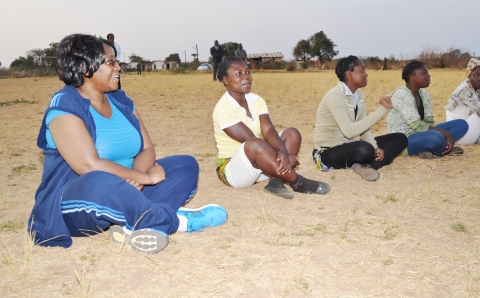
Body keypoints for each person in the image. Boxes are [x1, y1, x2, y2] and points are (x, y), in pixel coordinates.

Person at [28, 34, 227, 255]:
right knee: (99, 181)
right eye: (111, 62)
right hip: (79, 201)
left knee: (185, 165)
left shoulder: (120, 99)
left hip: (128, 188)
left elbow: (146, 148)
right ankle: (175, 221)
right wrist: (145, 178)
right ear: (85, 68)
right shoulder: (64, 105)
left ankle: (131, 224)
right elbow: (88, 166)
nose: (118, 68)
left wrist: (136, 177)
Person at [213, 56, 330, 199]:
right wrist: (284, 156)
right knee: (255, 144)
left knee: (292, 134)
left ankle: (276, 181)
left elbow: (268, 130)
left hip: (264, 165)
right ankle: (298, 183)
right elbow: (250, 139)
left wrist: (282, 151)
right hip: (235, 171)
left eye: (248, 72)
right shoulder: (223, 108)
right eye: (239, 73)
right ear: (225, 79)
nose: (246, 77)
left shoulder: (256, 100)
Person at [313, 56, 408, 181]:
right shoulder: (335, 95)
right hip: (328, 152)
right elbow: (349, 131)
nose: (366, 74)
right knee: (364, 149)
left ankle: (366, 165)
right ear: (349, 74)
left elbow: (364, 127)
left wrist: (375, 147)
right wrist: (381, 111)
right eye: (362, 71)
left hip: (349, 145)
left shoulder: (358, 95)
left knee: (400, 138)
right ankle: (365, 163)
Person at [387, 60, 468, 159]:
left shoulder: (424, 94)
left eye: (428, 73)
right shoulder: (401, 94)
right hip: (404, 140)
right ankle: (441, 148)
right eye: (424, 73)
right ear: (412, 77)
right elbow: (416, 125)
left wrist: (443, 134)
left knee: (461, 124)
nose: (428, 76)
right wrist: (445, 134)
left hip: (421, 134)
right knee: (436, 137)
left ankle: (433, 148)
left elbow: (429, 122)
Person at [444, 58, 480, 144]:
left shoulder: (476, 88)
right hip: (458, 135)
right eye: (475, 75)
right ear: (469, 74)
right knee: (477, 115)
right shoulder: (464, 89)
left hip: (466, 130)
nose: (479, 78)